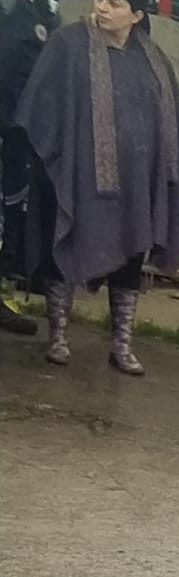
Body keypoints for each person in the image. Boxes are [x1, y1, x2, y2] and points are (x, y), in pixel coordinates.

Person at [14, 0, 179, 373]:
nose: (102, 7)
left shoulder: (154, 60)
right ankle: (59, 337)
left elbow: (170, 123)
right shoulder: (68, 44)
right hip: (76, 175)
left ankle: (122, 345)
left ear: (137, 15)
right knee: (65, 245)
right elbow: (42, 102)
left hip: (134, 185)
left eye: (114, 3)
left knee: (131, 253)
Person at [0, 0, 60, 336]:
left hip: (22, 137)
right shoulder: (12, 12)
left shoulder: (48, 16)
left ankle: (5, 296)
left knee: (13, 215)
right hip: (9, 127)